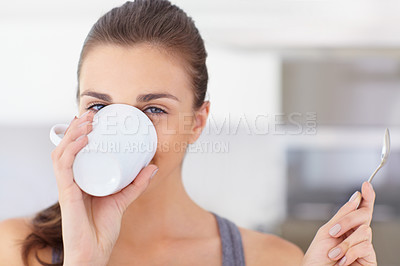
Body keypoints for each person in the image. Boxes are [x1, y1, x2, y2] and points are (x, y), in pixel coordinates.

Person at [0, 0, 377, 265]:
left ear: (196, 122)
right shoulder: (14, 249)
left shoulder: (273, 260)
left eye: (153, 109)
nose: (118, 132)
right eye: (99, 107)